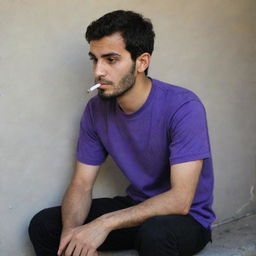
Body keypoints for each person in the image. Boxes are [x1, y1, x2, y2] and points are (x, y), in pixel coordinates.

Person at [28, 10, 215, 256]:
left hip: (186, 218)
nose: (98, 72)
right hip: (137, 207)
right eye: (94, 59)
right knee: (44, 224)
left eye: (111, 60)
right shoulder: (96, 109)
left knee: (156, 235)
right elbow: (82, 184)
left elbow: (180, 200)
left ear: (142, 62)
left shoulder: (183, 106)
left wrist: (103, 224)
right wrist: (71, 235)